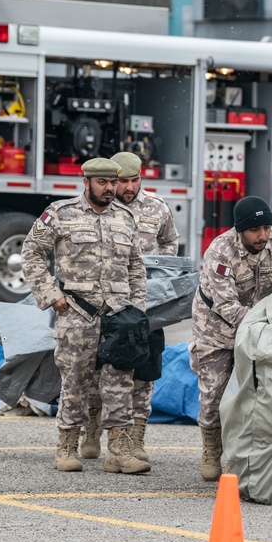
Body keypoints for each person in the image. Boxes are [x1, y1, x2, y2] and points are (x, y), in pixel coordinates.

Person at [21, 157, 149, 474]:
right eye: (103, 183)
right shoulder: (61, 214)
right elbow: (31, 252)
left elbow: (136, 268)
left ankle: (118, 451)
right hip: (77, 314)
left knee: (120, 384)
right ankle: (67, 447)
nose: (110, 189)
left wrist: (137, 310)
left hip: (119, 317)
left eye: (113, 183)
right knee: (75, 383)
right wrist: (51, 296)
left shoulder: (125, 218)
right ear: (86, 182)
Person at [190, 196, 272, 481]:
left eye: (266, 228)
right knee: (214, 394)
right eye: (255, 231)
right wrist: (268, 320)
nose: (263, 236)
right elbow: (227, 306)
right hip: (218, 330)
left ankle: (244, 454)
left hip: (263, 326)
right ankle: (211, 446)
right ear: (240, 230)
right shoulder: (220, 250)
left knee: (260, 391)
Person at [76, 151, 181, 463]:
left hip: (144, 305)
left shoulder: (157, 208)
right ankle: (92, 428)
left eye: (135, 181)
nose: (129, 188)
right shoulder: (99, 207)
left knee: (143, 371)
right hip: (105, 305)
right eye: (123, 182)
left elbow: (170, 244)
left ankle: (135, 439)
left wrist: (157, 272)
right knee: (99, 370)